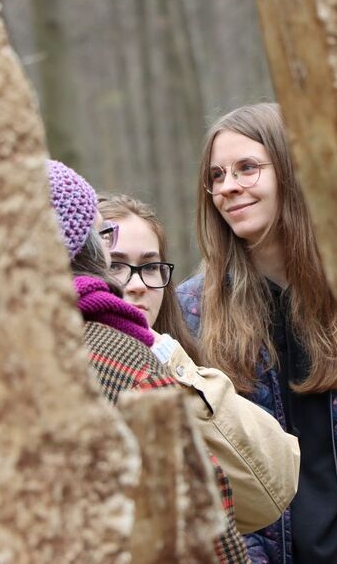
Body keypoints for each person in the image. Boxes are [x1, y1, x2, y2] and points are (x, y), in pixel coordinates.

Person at [177, 104, 337, 564]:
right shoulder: (193, 310)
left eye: (248, 168)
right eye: (217, 175)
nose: (229, 187)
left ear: (291, 171)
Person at [98, 192, 300, 535]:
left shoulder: (186, 368)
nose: (136, 285)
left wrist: (171, 363)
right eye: (115, 266)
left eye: (149, 267)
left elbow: (269, 492)